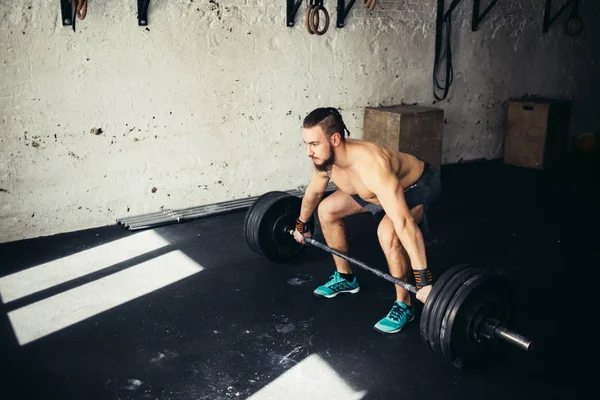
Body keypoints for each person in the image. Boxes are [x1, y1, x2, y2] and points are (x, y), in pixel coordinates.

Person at [293, 107, 442, 334]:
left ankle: (404, 304)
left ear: (334, 139)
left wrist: (423, 280)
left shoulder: (372, 164)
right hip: (373, 192)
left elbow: (404, 224)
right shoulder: (326, 161)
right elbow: (313, 193)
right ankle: (345, 277)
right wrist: (301, 225)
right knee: (326, 210)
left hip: (417, 186)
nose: (308, 152)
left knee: (388, 231)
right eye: (307, 144)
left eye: (314, 144)